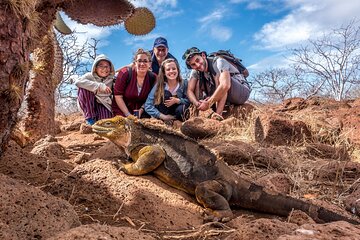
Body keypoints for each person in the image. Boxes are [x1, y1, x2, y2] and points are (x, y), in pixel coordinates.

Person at [182, 47, 251, 119]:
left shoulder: (219, 61)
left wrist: (209, 103)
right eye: (193, 64)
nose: (197, 65)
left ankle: (218, 116)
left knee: (220, 77)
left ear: (203, 56)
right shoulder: (196, 71)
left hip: (242, 92)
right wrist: (197, 103)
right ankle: (195, 118)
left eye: (198, 60)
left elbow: (225, 85)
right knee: (196, 83)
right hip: (225, 96)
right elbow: (189, 90)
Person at [112, 48, 156, 118]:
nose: (142, 64)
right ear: (135, 63)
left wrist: (141, 109)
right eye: (139, 61)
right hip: (122, 109)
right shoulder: (125, 73)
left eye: (145, 61)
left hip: (141, 111)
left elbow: (152, 98)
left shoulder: (153, 78)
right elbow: (118, 96)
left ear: (149, 64)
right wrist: (128, 115)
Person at [75, 54, 115, 125]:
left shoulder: (112, 79)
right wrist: (99, 86)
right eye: (101, 66)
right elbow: (78, 82)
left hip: (103, 104)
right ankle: (90, 119)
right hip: (89, 104)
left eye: (107, 66)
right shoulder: (89, 76)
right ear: (95, 68)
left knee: (106, 123)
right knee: (84, 88)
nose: (104, 69)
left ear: (110, 68)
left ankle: (97, 120)